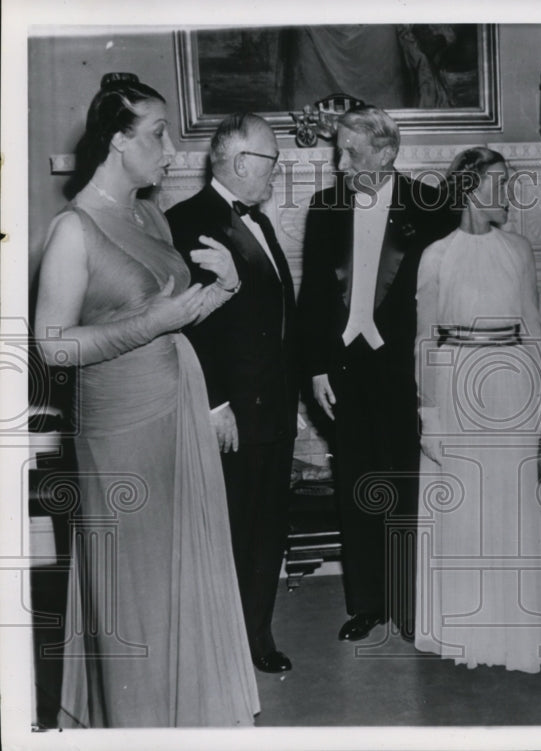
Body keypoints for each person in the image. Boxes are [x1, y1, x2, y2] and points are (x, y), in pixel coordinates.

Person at [34, 73, 259, 726]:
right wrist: (155, 323)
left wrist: (219, 292)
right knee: (134, 586)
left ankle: (187, 717)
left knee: (180, 578)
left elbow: (169, 312)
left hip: (176, 403)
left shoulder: (149, 214)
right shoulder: (74, 230)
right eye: (159, 135)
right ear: (116, 140)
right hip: (120, 425)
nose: (171, 152)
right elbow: (52, 346)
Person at [297, 105, 453, 642]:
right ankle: (366, 602)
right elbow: (313, 297)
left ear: (386, 153)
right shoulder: (326, 207)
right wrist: (315, 368)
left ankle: (410, 603)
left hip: (405, 368)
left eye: (351, 152)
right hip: (343, 368)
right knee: (357, 483)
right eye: (339, 150)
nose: (340, 163)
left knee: (407, 487)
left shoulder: (433, 207)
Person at [413, 147, 541, 673]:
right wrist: (429, 414)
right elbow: (425, 340)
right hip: (455, 390)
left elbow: (535, 328)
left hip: (511, 389)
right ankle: (464, 630)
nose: (506, 192)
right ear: (469, 188)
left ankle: (510, 633)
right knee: (462, 513)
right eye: (497, 182)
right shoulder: (435, 256)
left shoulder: (519, 249)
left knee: (510, 507)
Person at [166, 113, 298, 674]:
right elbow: (189, 326)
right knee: (232, 529)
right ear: (243, 162)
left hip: (273, 408)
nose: (277, 169)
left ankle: (255, 637)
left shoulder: (260, 223)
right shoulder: (188, 221)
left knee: (266, 525)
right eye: (271, 158)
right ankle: (227, 646)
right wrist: (216, 403)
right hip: (233, 414)